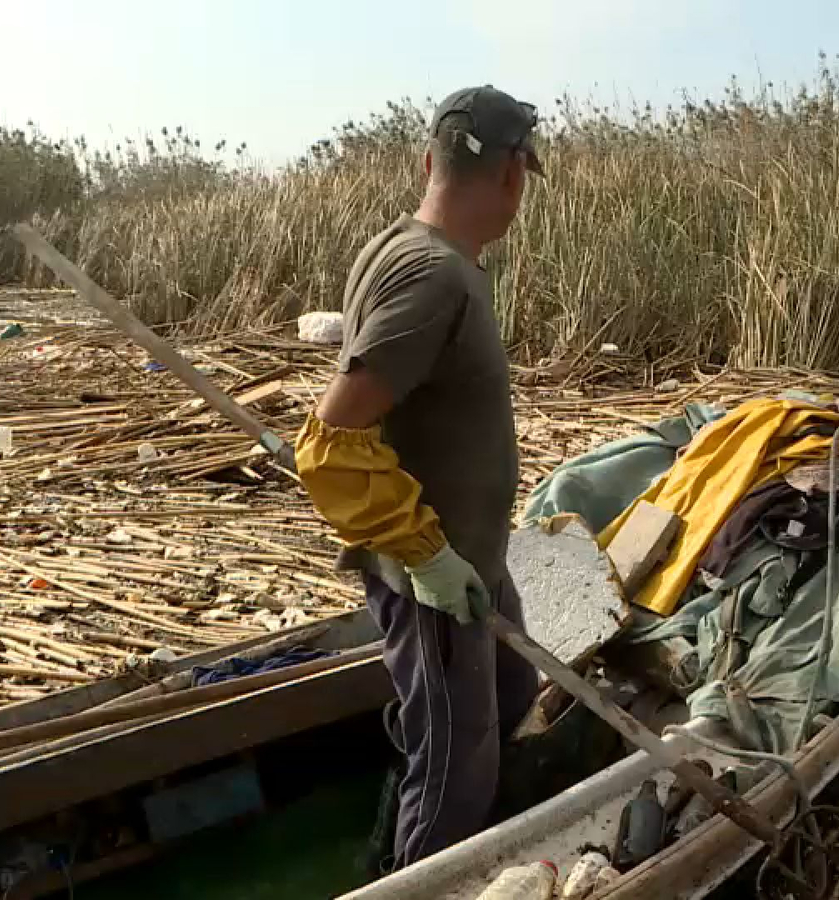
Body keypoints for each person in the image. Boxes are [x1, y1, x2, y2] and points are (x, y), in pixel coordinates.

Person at [293, 85, 543, 868]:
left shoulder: (413, 251)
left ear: (428, 157)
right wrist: (427, 556)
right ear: (514, 176)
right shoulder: (430, 278)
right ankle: (420, 877)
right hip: (435, 572)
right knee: (453, 771)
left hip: (471, 561)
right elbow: (330, 440)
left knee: (507, 697)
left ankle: (445, 839)